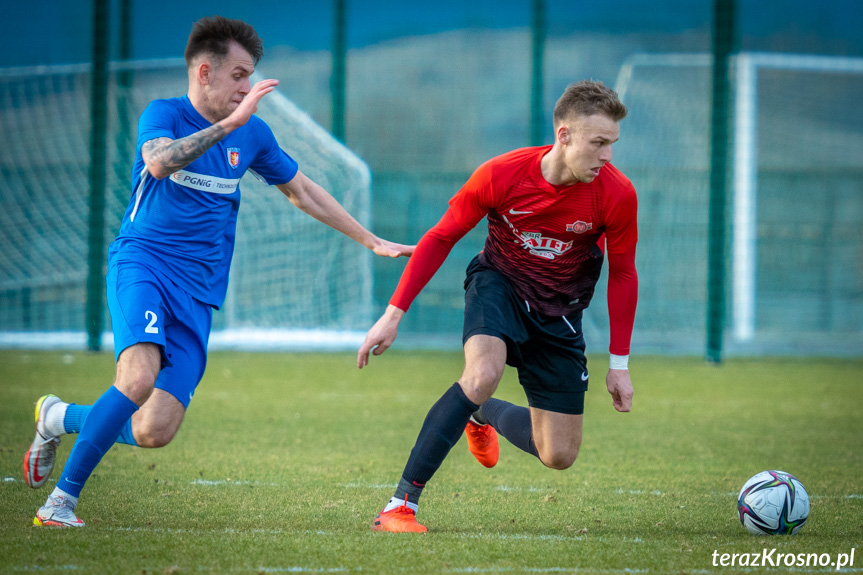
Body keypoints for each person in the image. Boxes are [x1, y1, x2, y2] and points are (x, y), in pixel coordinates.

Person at [24, 15, 413, 528]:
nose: (247, 88)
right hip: (143, 264)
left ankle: (58, 417)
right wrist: (229, 125)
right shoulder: (162, 114)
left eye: (250, 76)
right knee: (137, 376)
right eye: (238, 75)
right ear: (204, 72)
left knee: (152, 430)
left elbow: (303, 191)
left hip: (198, 292)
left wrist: (370, 239)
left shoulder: (252, 133)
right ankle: (59, 504)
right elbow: (159, 162)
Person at [357, 80, 638, 533]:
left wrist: (619, 364)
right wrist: (393, 316)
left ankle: (482, 411)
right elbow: (442, 236)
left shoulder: (616, 194)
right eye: (598, 143)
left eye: (612, 144)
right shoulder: (502, 174)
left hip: (561, 312)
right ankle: (400, 505)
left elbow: (624, 274)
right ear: (564, 135)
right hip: (500, 285)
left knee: (559, 455)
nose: (607, 156)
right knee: (482, 373)